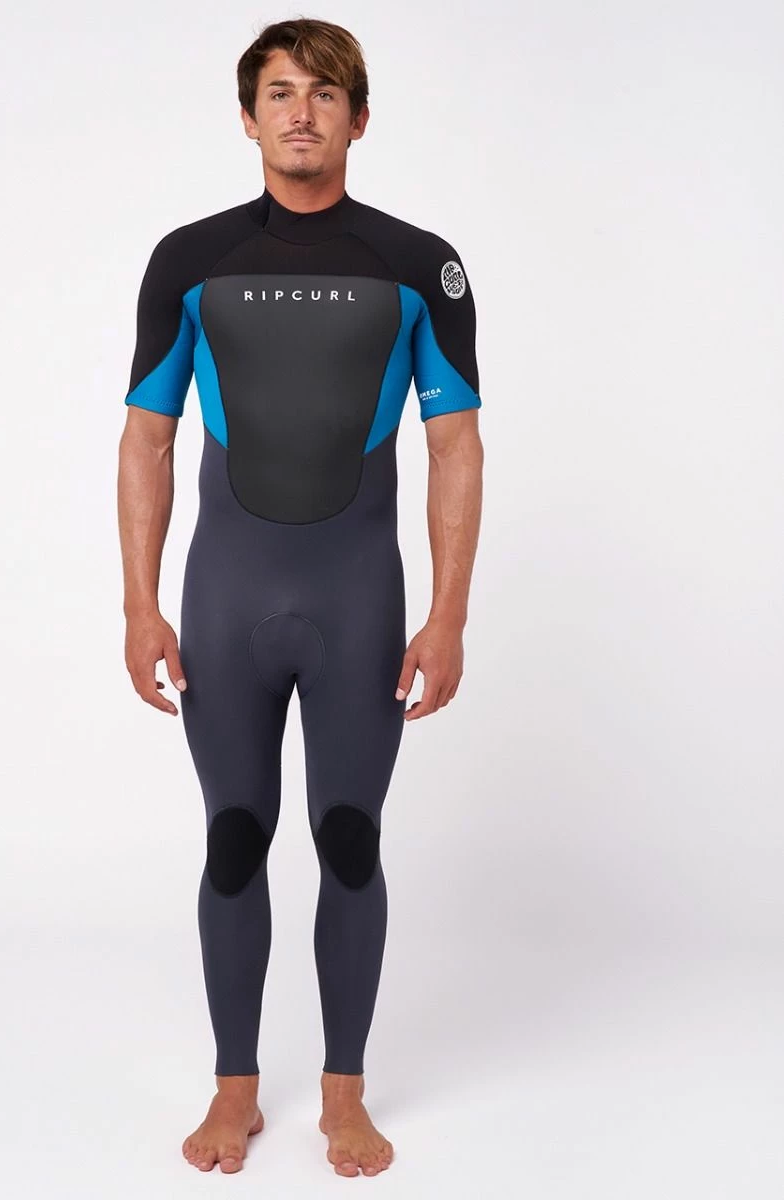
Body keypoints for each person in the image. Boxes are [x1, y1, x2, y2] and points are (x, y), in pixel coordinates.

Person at [117, 17, 484, 1179]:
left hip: (356, 601)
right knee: (234, 840)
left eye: (325, 94)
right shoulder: (188, 261)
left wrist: (447, 615)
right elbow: (145, 438)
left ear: (358, 118)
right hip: (225, 598)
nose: (301, 112)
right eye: (279, 92)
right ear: (247, 117)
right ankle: (234, 1090)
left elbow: (457, 445)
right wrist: (138, 604)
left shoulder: (419, 266)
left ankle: (343, 1095)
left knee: (349, 842)